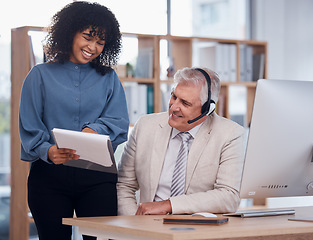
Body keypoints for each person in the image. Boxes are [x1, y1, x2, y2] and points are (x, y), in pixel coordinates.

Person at [19, 2, 129, 240]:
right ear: (70, 32)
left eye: (100, 42)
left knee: (102, 238)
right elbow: (29, 125)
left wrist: (94, 129)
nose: (93, 47)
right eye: (88, 37)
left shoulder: (109, 78)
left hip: (98, 178)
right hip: (49, 178)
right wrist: (47, 150)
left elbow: (119, 122)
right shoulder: (39, 75)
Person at [117, 67, 245, 215]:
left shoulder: (229, 134)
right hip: (147, 228)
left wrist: (169, 205)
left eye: (185, 103)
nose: (174, 107)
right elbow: (124, 185)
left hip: (198, 231)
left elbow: (228, 196)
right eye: (174, 96)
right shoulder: (145, 126)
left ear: (207, 109)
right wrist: (135, 226)